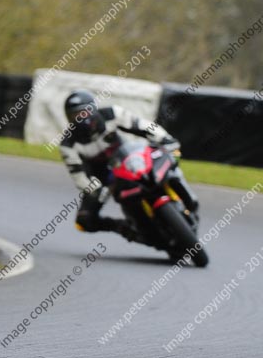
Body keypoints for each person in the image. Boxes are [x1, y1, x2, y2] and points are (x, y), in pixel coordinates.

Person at [59, 90, 199, 243]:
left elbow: (142, 125)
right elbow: (78, 175)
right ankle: (126, 228)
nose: (80, 118)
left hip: (129, 160)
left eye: (83, 113)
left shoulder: (111, 114)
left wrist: (165, 140)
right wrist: (95, 189)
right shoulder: (68, 144)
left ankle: (187, 198)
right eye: (74, 115)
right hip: (102, 179)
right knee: (84, 221)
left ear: (92, 109)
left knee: (166, 161)